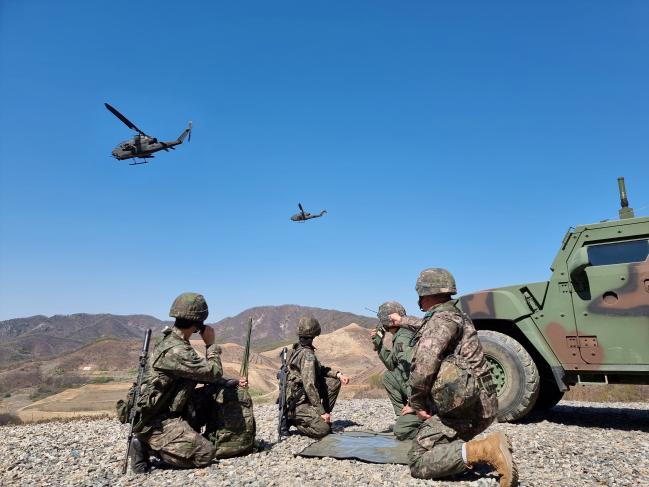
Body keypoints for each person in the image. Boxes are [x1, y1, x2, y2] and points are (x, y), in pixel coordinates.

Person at [389, 268, 517, 487]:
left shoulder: (441, 321)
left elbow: (423, 367)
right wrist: (401, 320)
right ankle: (476, 449)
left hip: (467, 409)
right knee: (433, 442)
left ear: (427, 293)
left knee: (418, 460)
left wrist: (417, 404)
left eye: (420, 295)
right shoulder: (453, 316)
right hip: (480, 403)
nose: (419, 301)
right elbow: (425, 326)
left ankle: (486, 449)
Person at [127, 292, 248, 473]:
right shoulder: (177, 349)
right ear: (198, 323)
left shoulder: (172, 340)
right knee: (205, 454)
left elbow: (196, 374)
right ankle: (145, 446)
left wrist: (227, 383)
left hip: (169, 407)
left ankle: (187, 434)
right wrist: (210, 345)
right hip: (158, 420)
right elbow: (213, 372)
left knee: (217, 392)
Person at [285, 316, 350, 438]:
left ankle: (319, 415)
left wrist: (338, 374)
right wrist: (322, 412)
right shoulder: (307, 354)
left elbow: (319, 369)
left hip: (298, 397)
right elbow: (309, 385)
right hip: (298, 403)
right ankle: (293, 419)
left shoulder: (297, 349)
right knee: (323, 430)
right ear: (314, 334)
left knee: (334, 382)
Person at [370, 301, 421, 440]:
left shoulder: (403, 338)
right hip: (422, 392)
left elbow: (416, 372)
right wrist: (379, 345)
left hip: (424, 395)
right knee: (389, 377)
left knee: (401, 432)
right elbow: (392, 365)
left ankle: (418, 422)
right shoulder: (402, 334)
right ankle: (405, 417)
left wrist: (413, 404)